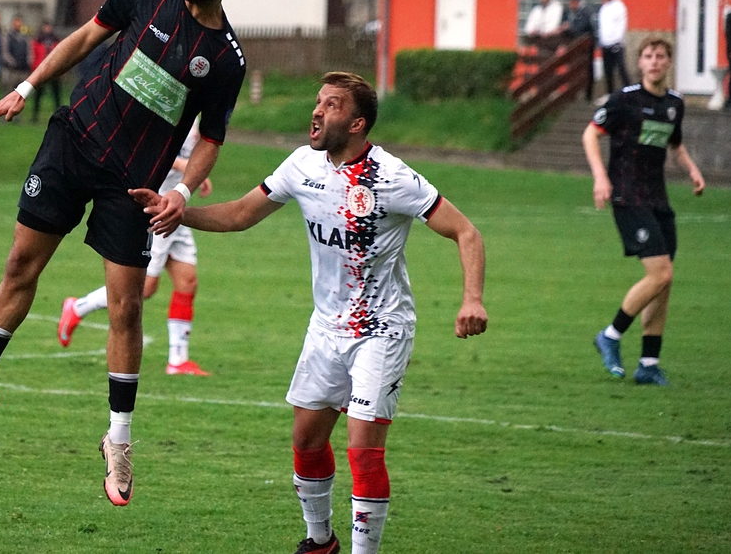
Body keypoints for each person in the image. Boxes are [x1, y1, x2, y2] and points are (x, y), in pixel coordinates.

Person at [0, 0, 248, 509]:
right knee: (20, 264)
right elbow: (86, 36)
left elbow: (213, 139)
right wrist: (26, 87)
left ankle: (118, 441)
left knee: (127, 307)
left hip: (135, 183)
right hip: (75, 142)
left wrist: (182, 190)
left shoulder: (225, 58)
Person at [132, 72, 488, 554]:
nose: (317, 111)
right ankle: (320, 540)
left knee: (363, 450)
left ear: (357, 124)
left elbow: (466, 232)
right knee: (306, 443)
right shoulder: (303, 164)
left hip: (381, 329)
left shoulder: (391, 177)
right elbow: (240, 214)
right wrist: (177, 212)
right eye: (318, 101)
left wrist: (472, 299)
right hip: (325, 328)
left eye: (332, 105)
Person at [584, 37, 705, 386]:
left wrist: (692, 170)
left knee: (663, 283)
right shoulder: (625, 99)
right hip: (628, 196)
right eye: (648, 56)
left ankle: (648, 364)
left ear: (669, 62)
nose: (654, 61)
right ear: (640, 63)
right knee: (660, 274)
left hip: (658, 199)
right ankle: (610, 335)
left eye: (661, 56)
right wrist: (600, 177)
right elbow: (591, 134)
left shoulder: (674, 104)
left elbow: (675, 144)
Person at [58, 121, 214, 376]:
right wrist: (184, 167)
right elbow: (149, 149)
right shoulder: (170, 109)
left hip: (176, 207)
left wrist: (192, 176)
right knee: (146, 287)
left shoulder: (200, 116)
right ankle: (78, 308)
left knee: (187, 281)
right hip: (156, 205)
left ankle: (178, 360)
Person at [561, 0, 596, 100]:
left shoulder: (585, 13)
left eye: (574, 3)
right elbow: (563, 25)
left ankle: (588, 95)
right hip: (572, 46)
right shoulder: (567, 12)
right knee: (573, 69)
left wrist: (569, 28)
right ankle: (572, 94)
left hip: (586, 47)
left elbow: (583, 27)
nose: (572, 5)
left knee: (588, 70)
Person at [597, 0, 630, 98]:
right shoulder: (604, 8)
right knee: (608, 71)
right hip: (605, 44)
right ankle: (610, 94)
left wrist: (618, 40)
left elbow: (622, 24)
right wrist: (601, 41)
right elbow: (602, 26)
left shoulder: (619, 6)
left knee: (621, 68)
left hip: (616, 44)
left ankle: (630, 93)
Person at [30, 20, 63, 123]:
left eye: (49, 27)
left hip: (54, 69)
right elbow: (34, 54)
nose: (47, 29)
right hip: (41, 69)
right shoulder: (38, 39)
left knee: (56, 94)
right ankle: (35, 116)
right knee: (38, 94)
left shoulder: (55, 39)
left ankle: (59, 114)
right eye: (46, 27)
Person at [2, 14, 31, 100]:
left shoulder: (25, 36)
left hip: (23, 69)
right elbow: (5, 51)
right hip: (12, 69)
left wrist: (29, 61)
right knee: (9, 93)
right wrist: (12, 62)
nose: (18, 24)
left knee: (21, 94)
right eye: (16, 22)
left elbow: (29, 50)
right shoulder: (8, 35)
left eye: (19, 22)